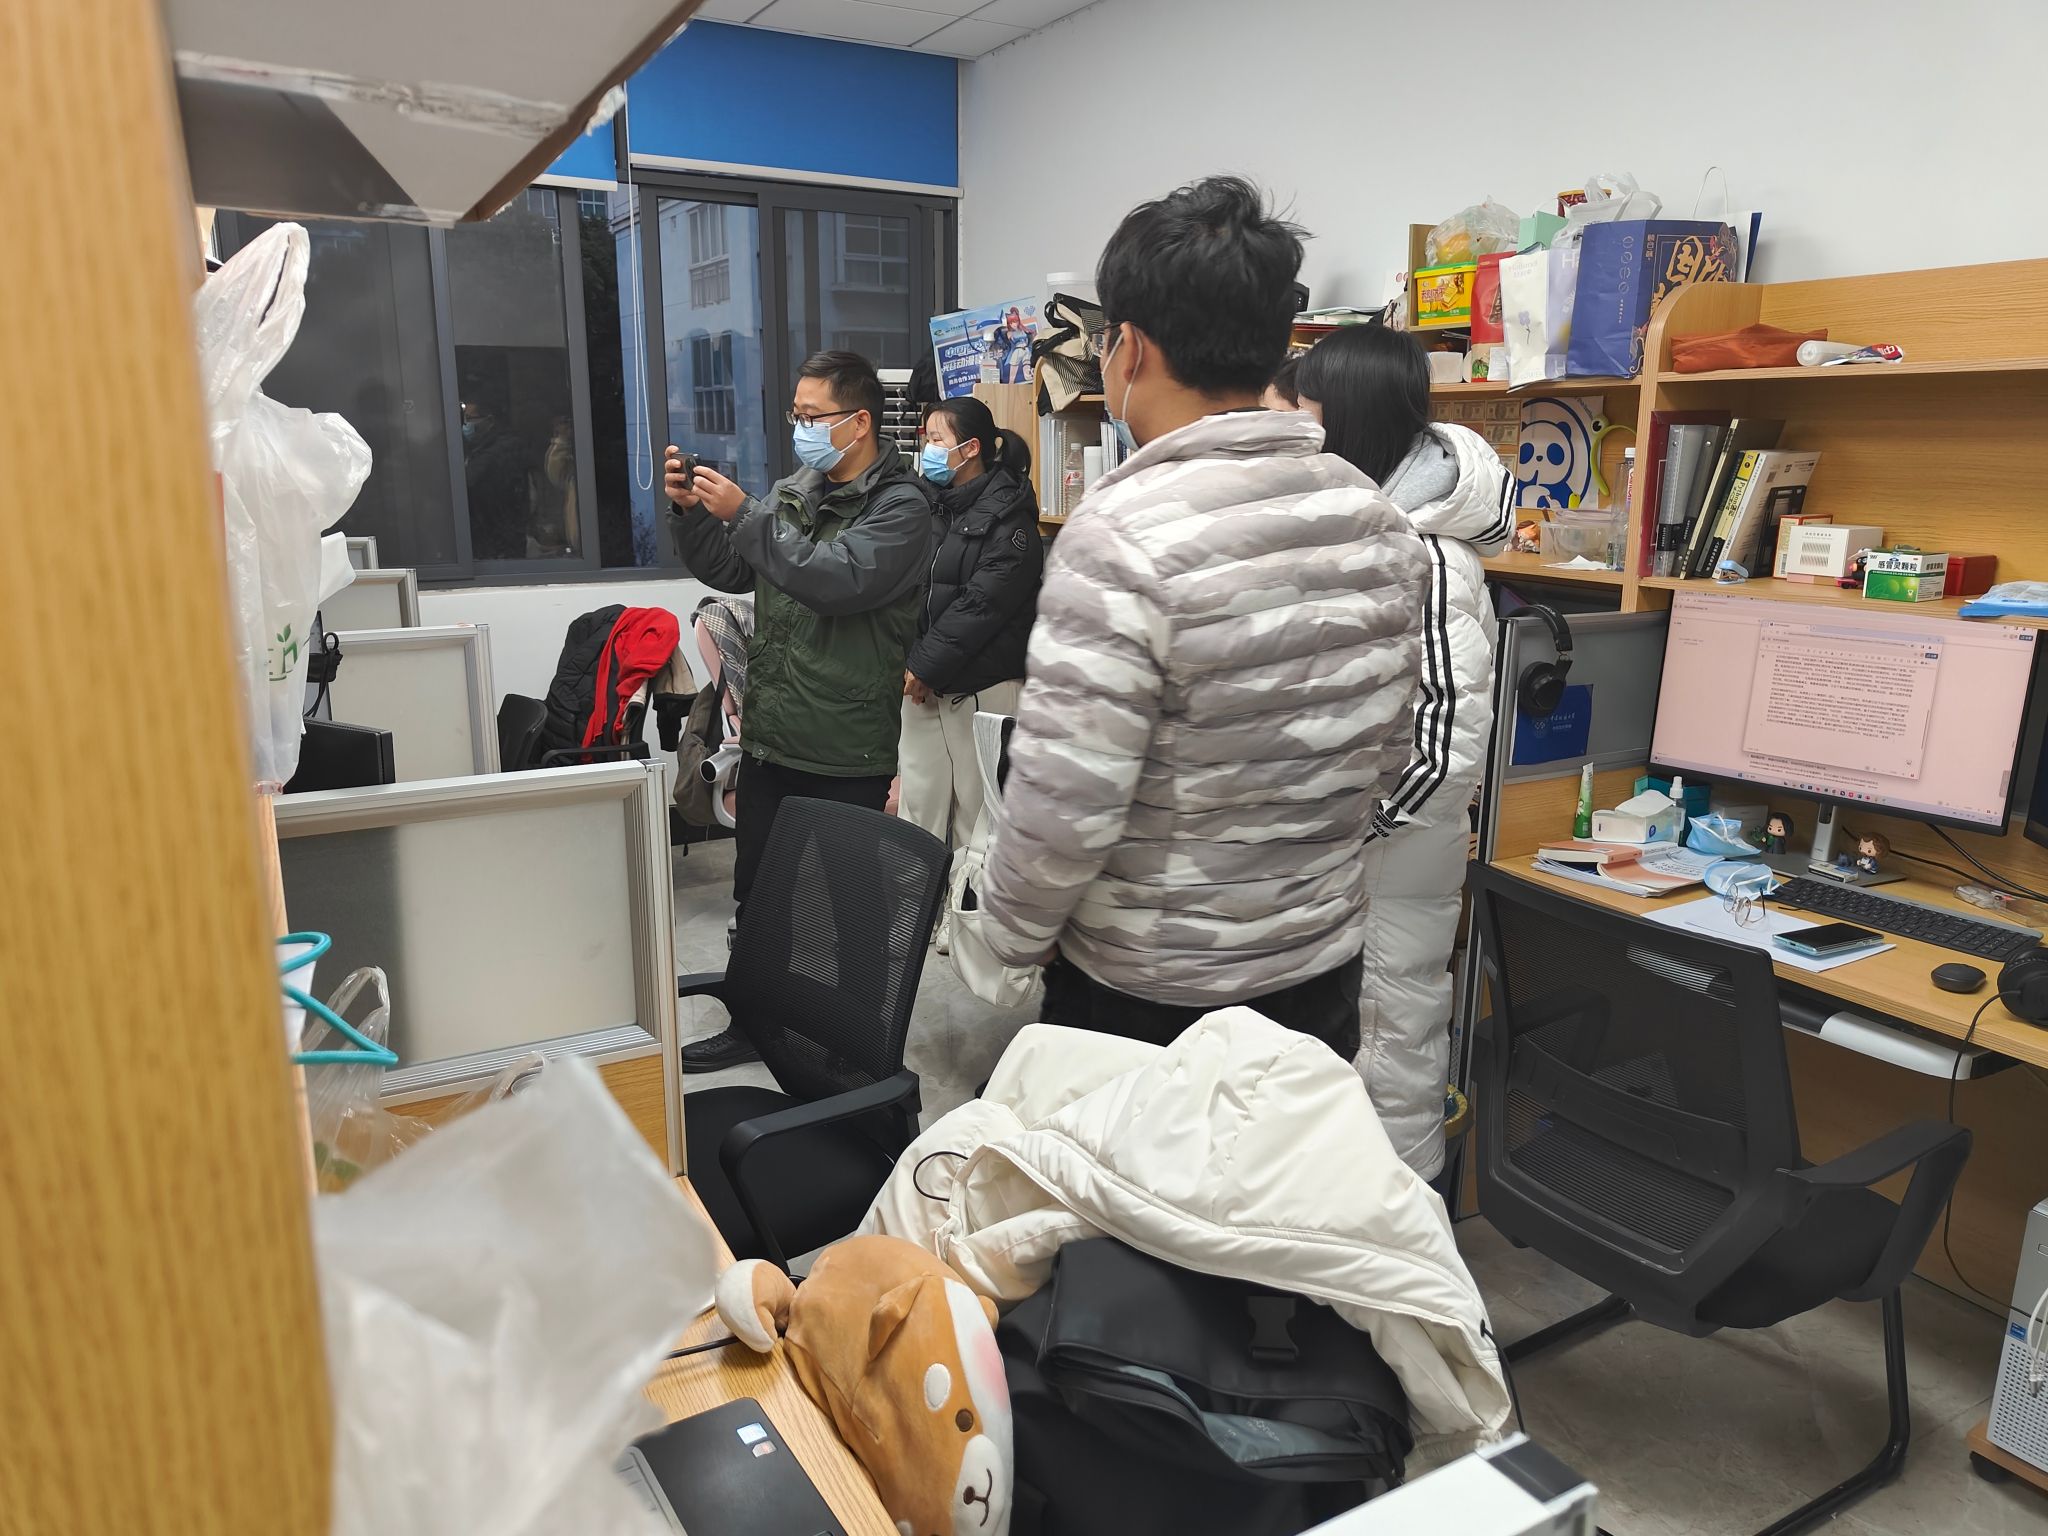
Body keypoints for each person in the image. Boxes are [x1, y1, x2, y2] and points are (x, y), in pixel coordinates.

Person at [976, 175, 1429, 1059]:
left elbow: (1065, 806)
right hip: (1318, 974)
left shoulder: (1118, 535)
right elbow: (1385, 753)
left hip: (1153, 995)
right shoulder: (1375, 517)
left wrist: (1009, 935)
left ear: (1130, 348)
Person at [666, 349, 935, 1071]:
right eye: (797, 414)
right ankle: (753, 1025)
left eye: (813, 416)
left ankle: (857, 1048)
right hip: (774, 734)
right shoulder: (794, 491)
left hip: (846, 743)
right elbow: (734, 568)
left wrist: (746, 515)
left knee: (854, 909)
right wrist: (692, 514)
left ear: (860, 422)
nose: (801, 427)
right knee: (761, 900)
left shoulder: (902, 508)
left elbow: (836, 580)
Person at [1295, 323, 1512, 1184]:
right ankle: (1347, 1232)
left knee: (1391, 1050)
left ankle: (1400, 1248)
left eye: (1308, 408)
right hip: (1350, 852)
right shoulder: (1363, 527)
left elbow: (1445, 737)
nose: (1297, 427)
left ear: (1350, 416)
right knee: (1347, 1053)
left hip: (1391, 856)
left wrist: (1359, 826)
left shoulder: (1427, 556)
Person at [897, 396, 1043, 935]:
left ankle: (963, 925)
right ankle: (914, 916)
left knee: (976, 812)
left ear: (971, 448)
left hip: (981, 684)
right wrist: (915, 666)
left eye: (937, 439)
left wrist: (925, 665)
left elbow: (983, 604)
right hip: (922, 681)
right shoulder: (932, 504)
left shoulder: (1010, 518)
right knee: (919, 803)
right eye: (926, 438)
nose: (928, 448)